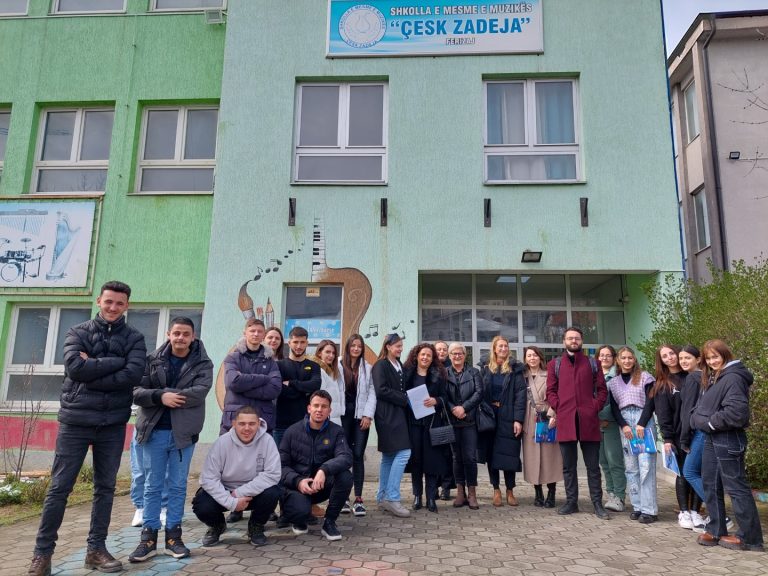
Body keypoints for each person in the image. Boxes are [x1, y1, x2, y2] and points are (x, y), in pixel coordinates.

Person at [28, 281, 147, 576]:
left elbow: (133, 374)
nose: (113, 307)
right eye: (109, 301)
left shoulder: (134, 338)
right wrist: (115, 363)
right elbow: (75, 369)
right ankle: (42, 555)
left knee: (105, 489)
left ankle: (96, 550)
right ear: (99, 301)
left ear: (127, 306)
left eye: (119, 303)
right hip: (76, 422)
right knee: (59, 488)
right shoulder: (77, 332)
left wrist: (93, 366)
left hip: (112, 423)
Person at [129, 317, 213, 562]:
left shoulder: (202, 363)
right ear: (169, 334)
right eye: (176, 333)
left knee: (177, 486)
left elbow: (200, 392)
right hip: (153, 432)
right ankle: (148, 539)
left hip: (183, 435)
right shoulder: (151, 360)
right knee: (152, 486)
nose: (180, 338)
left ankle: (174, 538)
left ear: (193, 336)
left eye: (185, 334)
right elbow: (136, 391)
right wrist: (160, 397)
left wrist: (166, 395)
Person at [691, 340, 764, 552]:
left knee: (736, 488)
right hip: (713, 438)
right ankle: (716, 529)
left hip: (728, 438)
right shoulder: (717, 376)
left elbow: (737, 413)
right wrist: (697, 418)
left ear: (725, 354)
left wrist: (708, 423)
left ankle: (750, 539)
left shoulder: (733, 377)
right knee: (710, 484)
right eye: (708, 358)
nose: (712, 361)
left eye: (716, 356)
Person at [192, 406, 281, 547]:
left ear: (259, 424)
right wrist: (231, 502)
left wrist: (240, 493)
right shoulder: (222, 443)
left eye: (252, 424)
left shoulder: (267, 441)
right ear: (234, 424)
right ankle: (217, 526)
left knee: (273, 492)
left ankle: (256, 526)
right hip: (226, 492)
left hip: (252, 493)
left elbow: (273, 474)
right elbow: (208, 479)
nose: (247, 428)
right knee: (201, 503)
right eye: (242, 424)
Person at [546, 327, 609, 519]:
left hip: (588, 420)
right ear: (564, 341)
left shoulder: (593, 363)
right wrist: (559, 407)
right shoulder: (555, 364)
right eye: (570, 338)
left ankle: (597, 503)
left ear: (582, 341)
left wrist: (594, 406)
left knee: (593, 467)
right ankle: (571, 502)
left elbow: (602, 390)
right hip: (566, 421)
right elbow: (550, 391)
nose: (574, 341)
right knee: (568, 466)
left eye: (577, 338)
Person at [279, 390, 353, 541]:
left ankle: (329, 522)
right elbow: (281, 466)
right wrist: (298, 481)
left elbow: (346, 457)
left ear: (329, 411)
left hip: (321, 485)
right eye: (316, 405)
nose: (319, 410)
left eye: (324, 406)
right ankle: (298, 517)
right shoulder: (292, 432)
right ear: (309, 408)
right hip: (298, 486)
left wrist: (324, 470)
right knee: (299, 513)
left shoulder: (336, 431)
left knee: (345, 476)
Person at [648, 344, 701, 530]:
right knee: (683, 473)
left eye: (672, 353)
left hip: (699, 433)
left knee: (698, 473)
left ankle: (696, 511)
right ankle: (684, 511)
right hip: (678, 435)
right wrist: (668, 439)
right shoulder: (663, 383)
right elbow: (663, 414)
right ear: (661, 361)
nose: (670, 357)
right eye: (665, 356)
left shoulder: (693, 376)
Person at [608, 346, 658, 523]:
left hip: (643, 422)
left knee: (646, 466)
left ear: (634, 359)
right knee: (631, 467)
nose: (627, 361)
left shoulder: (645, 377)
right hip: (626, 425)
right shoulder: (613, 383)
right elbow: (614, 407)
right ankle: (637, 507)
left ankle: (649, 510)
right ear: (618, 360)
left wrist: (641, 423)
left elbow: (651, 402)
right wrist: (623, 425)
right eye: (623, 358)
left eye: (630, 357)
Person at [478, 336, 526, 507]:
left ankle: (510, 490)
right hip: (490, 415)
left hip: (509, 415)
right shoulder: (485, 368)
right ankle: (496, 489)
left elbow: (520, 395)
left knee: (509, 453)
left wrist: (518, 419)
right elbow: (480, 392)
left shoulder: (515, 369)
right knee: (492, 454)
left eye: (506, 346)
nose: (503, 349)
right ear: (494, 348)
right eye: (500, 346)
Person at [403, 343, 449, 513]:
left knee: (431, 460)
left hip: (432, 423)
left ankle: (431, 498)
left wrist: (436, 400)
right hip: (413, 423)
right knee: (416, 460)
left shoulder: (439, 374)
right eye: (422, 354)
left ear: (432, 358)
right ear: (416, 356)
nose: (425, 358)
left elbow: (445, 397)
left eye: (429, 355)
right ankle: (417, 496)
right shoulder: (407, 374)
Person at [372, 333, 412, 517]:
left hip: (398, 414)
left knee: (389, 456)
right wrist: (404, 398)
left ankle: (382, 497)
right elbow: (380, 390)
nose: (400, 349)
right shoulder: (380, 365)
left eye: (401, 346)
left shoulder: (399, 364)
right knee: (404, 452)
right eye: (397, 346)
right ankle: (392, 497)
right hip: (386, 415)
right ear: (388, 346)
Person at [220, 318, 282, 434]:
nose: (256, 334)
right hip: (234, 422)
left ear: (263, 335)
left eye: (259, 331)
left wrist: (243, 388)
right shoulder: (233, 358)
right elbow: (233, 383)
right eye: (252, 331)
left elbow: (274, 389)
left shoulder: (270, 362)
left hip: (262, 422)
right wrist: (264, 379)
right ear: (245, 333)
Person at [339, 334, 376, 516]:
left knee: (358, 455)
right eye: (353, 345)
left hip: (360, 417)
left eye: (359, 346)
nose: (356, 349)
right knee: (343, 455)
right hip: (342, 416)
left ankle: (359, 499)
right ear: (348, 347)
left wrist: (368, 415)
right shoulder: (338, 365)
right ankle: (344, 498)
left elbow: (372, 393)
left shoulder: (367, 368)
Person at [521, 346, 562, 508]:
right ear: (525, 359)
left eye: (535, 355)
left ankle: (551, 493)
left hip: (547, 418)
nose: (532, 358)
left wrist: (553, 414)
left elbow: (557, 395)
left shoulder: (549, 374)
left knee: (550, 458)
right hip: (529, 419)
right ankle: (538, 493)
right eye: (529, 356)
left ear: (540, 357)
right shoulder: (521, 376)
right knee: (532, 459)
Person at [444, 342, 483, 510]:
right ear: (449, 356)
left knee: (470, 458)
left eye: (460, 353)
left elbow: (479, 393)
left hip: (469, 421)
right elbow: (442, 395)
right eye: (454, 353)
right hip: (452, 421)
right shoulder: (444, 373)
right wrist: (454, 408)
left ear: (465, 355)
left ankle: (472, 493)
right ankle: (460, 492)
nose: (457, 356)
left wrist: (464, 408)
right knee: (456, 458)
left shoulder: (474, 372)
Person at [679, 345, 710, 532]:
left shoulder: (692, 378)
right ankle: (716, 513)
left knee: (689, 472)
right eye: (681, 358)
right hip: (708, 431)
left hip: (698, 432)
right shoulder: (707, 376)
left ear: (698, 359)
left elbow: (687, 410)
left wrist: (684, 438)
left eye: (687, 358)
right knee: (701, 473)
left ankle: (719, 512)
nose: (683, 361)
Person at [274, 326, 321, 447]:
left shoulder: (314, 366)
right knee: (280, 458)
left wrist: (292, 383)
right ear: (289, 343)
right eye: (295, 342)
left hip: (305, 423)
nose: (299, 346)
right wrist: (304, 391)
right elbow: (280, 390)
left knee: (303, 458)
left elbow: (316, 385)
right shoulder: (278, 365)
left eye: (302, 342)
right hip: (281, 424)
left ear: (307, 343)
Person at [596, 345, 625, 513]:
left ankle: (619, 496)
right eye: (602, 355)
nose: (604, 358)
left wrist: (605, 417)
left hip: (611, 423)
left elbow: (618, 401)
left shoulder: (617, 377)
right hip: (596, 425)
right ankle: (611, 494)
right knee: (604, 462)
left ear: (614, 358)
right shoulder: (594, 375)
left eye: (608, 355)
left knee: (615, 461)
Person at [434, 340, 456, 501]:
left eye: (444, 349)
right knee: (434, 453)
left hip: (449, 416)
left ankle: (446, 487)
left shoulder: (452, 368)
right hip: (433, 416)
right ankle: (433, 486)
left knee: (448, 454)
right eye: (439, 349)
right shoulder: (430, 367)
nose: (441, 352)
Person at [313, 339, 345, 425]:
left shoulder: (332, 372)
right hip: (325, 420)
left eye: (333, 353)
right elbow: (320, 399)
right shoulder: (319, 371)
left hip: (334, 419)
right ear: (319, 353)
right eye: (327, 352)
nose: (331, 355)